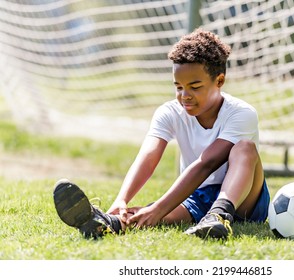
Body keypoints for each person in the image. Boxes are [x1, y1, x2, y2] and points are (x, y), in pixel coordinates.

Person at [53, 28, 270, 240]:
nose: (185, 95)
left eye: (195, 86)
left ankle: (219, 215)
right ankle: (107, 222)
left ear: (219, 81)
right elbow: (148, 157)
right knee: (153, 216)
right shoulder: (169, 112)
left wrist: (159, 207)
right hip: (198, 195)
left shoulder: (242, 113)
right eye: (178, 87)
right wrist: (122, 199)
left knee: (245, 148)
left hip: (245, 200)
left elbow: (208, 162)